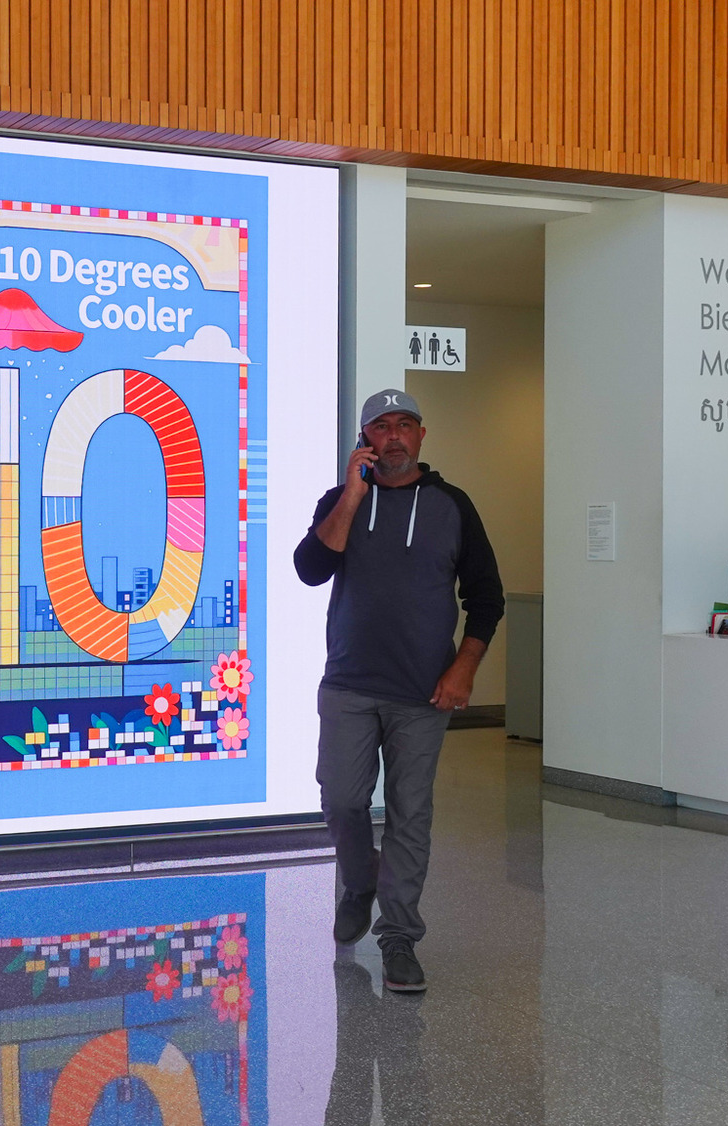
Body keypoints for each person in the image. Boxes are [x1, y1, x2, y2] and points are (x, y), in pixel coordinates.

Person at [294, 388, 504, 992]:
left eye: (404, 424)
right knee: (341, 798)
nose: (393, 436)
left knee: (411, 812)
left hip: (422, 692)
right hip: (349, 684)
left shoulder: (452, 505)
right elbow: (311, 570)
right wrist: (354, 493)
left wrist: (463, 668)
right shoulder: (341, 501)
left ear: (421, 435)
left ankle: (399, 937)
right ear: (365, 439)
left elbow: (486, 598)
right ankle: (361, 882)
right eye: (380, 426)